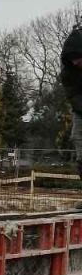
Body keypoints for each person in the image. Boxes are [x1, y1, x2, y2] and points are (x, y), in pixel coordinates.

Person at [59, 24, 82, 179]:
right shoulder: (68, 74)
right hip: (80, 111)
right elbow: (73, 96)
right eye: (72, 59)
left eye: (78, 58)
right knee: (77, 137)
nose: (75, 62)